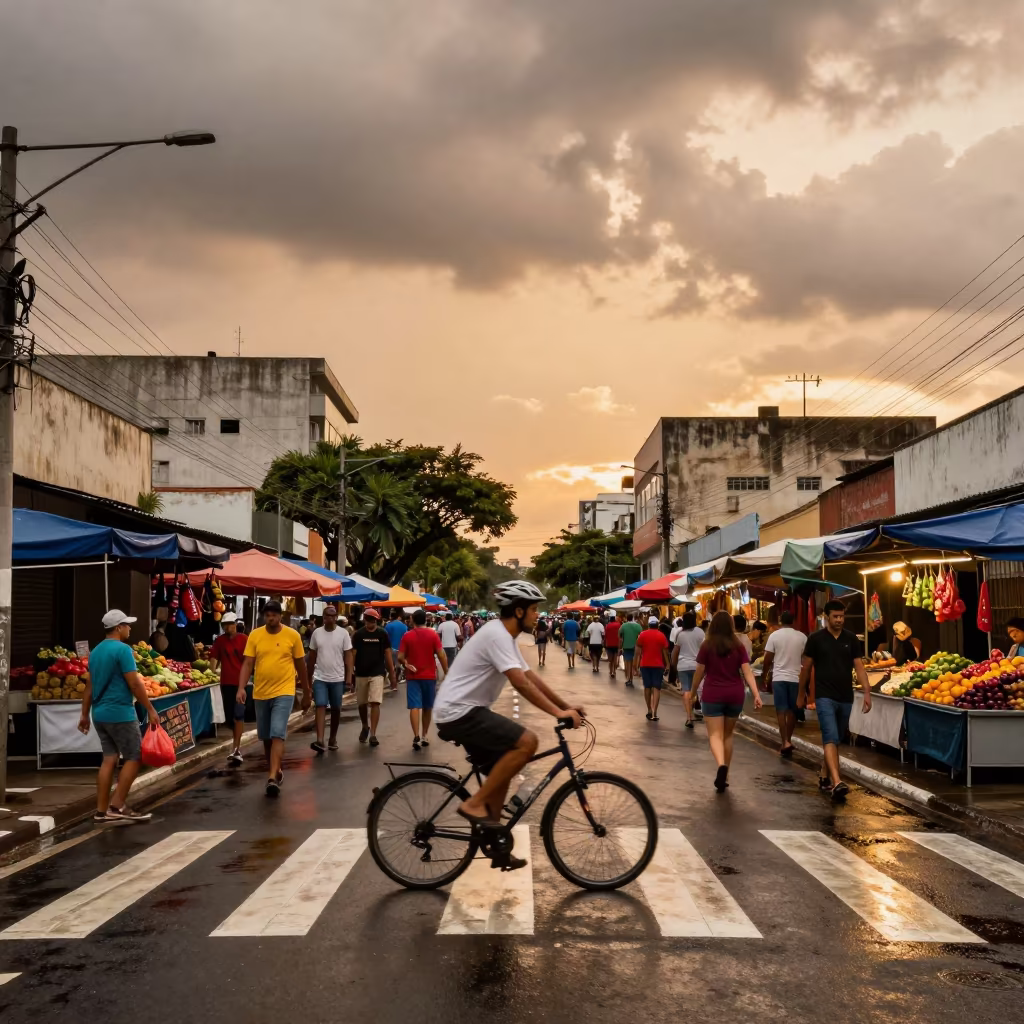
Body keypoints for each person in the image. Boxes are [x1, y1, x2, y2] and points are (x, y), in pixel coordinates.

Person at [434, 580, 584, 870]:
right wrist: (557, 712)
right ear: (517, 611)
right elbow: (519, 683)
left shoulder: (504, 636)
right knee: (528, 742)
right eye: (533, 610)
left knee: (502, 767)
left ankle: (495, 841)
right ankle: (474, 805)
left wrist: (564, 706)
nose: (537, 616)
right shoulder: (496, 636)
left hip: (464, 711)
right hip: (460, 712)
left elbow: (531, 678)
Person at [78, 610, 160, 822]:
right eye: (127, 625)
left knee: (109, 758)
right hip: (120, 712)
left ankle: (101, 811)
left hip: (100, 713)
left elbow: (89, 685)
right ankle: (118, 805)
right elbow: (134, 683)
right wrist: (150, 709)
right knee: (135, 756)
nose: (129, 628)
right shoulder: (123, 650)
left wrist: (84, 714)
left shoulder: (95, 652)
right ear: (118, 628)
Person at [799, 599, 871, 802]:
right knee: (830, 736)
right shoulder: (815, 639)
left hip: (845, 697)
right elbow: (806, 668)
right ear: (827, 617)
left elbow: (859, 667)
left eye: (842, 616)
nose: (839, 620)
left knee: (836, 739)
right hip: (824, 696)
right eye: (835, 617)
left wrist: (867, 691)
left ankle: (824, 774)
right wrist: (801, 694)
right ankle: (837, 781)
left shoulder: (851, 639)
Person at [237, 600, 310, 797]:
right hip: (261, 692)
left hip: (285, 690)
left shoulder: (292, 635)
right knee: (266, 736)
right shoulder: (255, 635)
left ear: (280, 616)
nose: (271, 618)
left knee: (278, 732)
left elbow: (301, 665)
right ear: (264, 616)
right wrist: (241, 688)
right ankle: (276, 770)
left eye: (274, 614)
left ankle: (271, 777)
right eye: (267, 614)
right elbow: (248, 663)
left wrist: (307, 691)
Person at [689, 611, 762, 791]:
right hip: (735, 694)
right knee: (728, 735)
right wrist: (757, 694)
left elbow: (699, 672)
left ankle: (721, 765)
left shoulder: (707, 645)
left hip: (713, 694)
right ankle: (726, 774)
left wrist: (692, 692)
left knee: (715, 735)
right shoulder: (738, 645)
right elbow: (747, 672)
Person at [398, 608, 449, 750]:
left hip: (413, 676)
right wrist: (446, 672)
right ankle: (425, 735)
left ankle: (416, 736)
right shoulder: (433, 635)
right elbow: (441, 655)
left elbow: (400, 657)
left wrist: (407, 664)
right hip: (429, 676)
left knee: (414, 706)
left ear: (413, 620)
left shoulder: (407, 636)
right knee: (427, 706)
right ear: (426, 620)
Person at [307, 604, 354, 754]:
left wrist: (348, 677)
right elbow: (312, 656)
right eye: (327, 615)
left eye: (333, 616)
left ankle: (332, 737)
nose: (330, 618)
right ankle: (320, 740)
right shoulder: (316, 633)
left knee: (336, 708)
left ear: (336, 617)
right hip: (320, 677)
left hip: (337, 678)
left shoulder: (343, 634)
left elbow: (348, 655)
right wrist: (308, 678)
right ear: (323, 617)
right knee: (320, 705)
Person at [762, 610, 806, 758]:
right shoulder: (802, 637)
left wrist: (764, 675)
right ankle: (789, 739)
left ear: (781, 621)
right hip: (795, 678)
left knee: (781, 710)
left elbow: (767, 658)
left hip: (779, 678)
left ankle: (784, 741)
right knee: (792, 710)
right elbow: (806, 660)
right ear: (793, 621)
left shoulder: (774, 636)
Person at [352, 608, 397, 747]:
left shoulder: (382, 634)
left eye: (373, 620)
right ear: (364, 620)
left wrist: (392, 674)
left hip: (377, 672)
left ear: (376, 620)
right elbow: (353, 654)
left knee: (375, 702)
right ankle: (365, 726)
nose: (370, 622)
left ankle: (373, 734)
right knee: (362, 703)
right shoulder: (358, 635)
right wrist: (350, 673)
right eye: (368, 619)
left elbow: (388, 654)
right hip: (361, 673)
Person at [210, 612, 249, 766]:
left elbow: (249, 661)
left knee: (238, 715)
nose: (229, 627)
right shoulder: (220, 641)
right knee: (229, 717)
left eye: (231, 624)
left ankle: (236, 748)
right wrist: (211, 673)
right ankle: (236, 742)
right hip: (226, 683)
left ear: (236, 624)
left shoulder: (244, 639)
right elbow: (214, 657)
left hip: (241, 684)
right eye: (225, 625)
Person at [672, 612, 705, 728]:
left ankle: (689, 717)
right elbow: (705, 649)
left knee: (686, 690)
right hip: (697, 666)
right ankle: (693, 712)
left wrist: (674, 665)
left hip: (683, 666)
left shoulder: (681, 634)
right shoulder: (701, 633)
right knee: (694, 690)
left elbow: (675, 652)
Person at [635, 617, 670, 721]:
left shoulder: (642, 635)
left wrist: (635, 665)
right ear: (657, 625)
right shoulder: (661, 635)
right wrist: (667, 664)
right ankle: (655, 711)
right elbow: (665, 652)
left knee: (647, 687)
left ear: (649, 624)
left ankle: (649, 709)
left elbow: (638, 652)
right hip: (658, 665)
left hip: (645, 664)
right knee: (656, 688)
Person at [385, 610, 408, 690]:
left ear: (391, 617)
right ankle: (398, 678)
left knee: (391, 667)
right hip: (401, 649)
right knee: (398, 665)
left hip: (390, 649)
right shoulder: (404, 626)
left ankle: (393, 684)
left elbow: (386, 638)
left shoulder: (388, 626)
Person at [619, 613, 642, 686]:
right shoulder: (638, 626)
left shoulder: (623, 626)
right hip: (635, 647)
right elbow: (641, 635)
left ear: (626, 618)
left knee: (627, 663)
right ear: (632, 618)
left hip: (626, 646)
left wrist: (620, 646)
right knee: (633, 663)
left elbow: (619, 635)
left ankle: (629, 678)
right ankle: (631, 678)